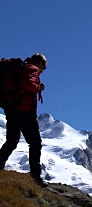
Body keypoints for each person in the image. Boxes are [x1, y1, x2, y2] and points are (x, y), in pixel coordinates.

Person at [0, 53, 47, 186]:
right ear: (40, 63)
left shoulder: (21, 68)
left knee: (12, 140)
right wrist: (39, 87)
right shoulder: (32, 68)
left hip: (12, 109)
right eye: (44, 66)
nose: (43, 70)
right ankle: (35, 176)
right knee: (35, 143)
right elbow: (28, 84)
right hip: (25, 111)